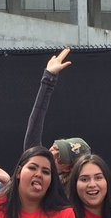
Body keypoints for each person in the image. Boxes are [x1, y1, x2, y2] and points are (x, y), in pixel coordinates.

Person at [23, 48, 90, 183]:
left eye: (59, 157)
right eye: (55, 148)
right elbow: (35, 122)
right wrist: (48, 79)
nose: (51, 154)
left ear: (67, 169)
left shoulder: (66, 195)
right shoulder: (36, 162)